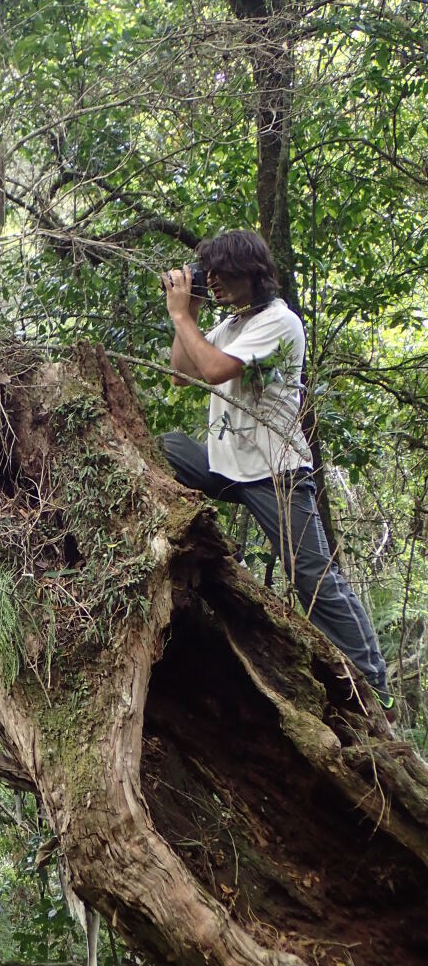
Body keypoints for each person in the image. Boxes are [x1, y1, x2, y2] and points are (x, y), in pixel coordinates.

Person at [160, 229, 393, 715]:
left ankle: (374, 684)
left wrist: (183, 315)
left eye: (224, 275)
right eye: (211, 275)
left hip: (275, 473)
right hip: (225, 466)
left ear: (253, 275)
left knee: (313, 577)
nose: (216, 282)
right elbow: (183, 371)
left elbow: (217, 369)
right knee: (164, 449)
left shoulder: (277, 321)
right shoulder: (233, 322)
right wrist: (192, 315)